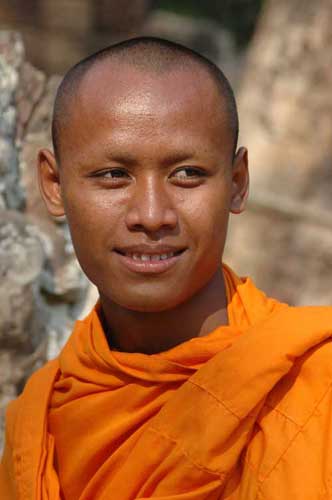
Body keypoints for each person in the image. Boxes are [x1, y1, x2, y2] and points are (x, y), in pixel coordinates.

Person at [1, 36, 332, 500]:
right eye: (113, 175)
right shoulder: (41, 422)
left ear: (237, 183)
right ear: (54, 185)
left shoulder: (316, 383)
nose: (152, 214)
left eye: (188, 174)